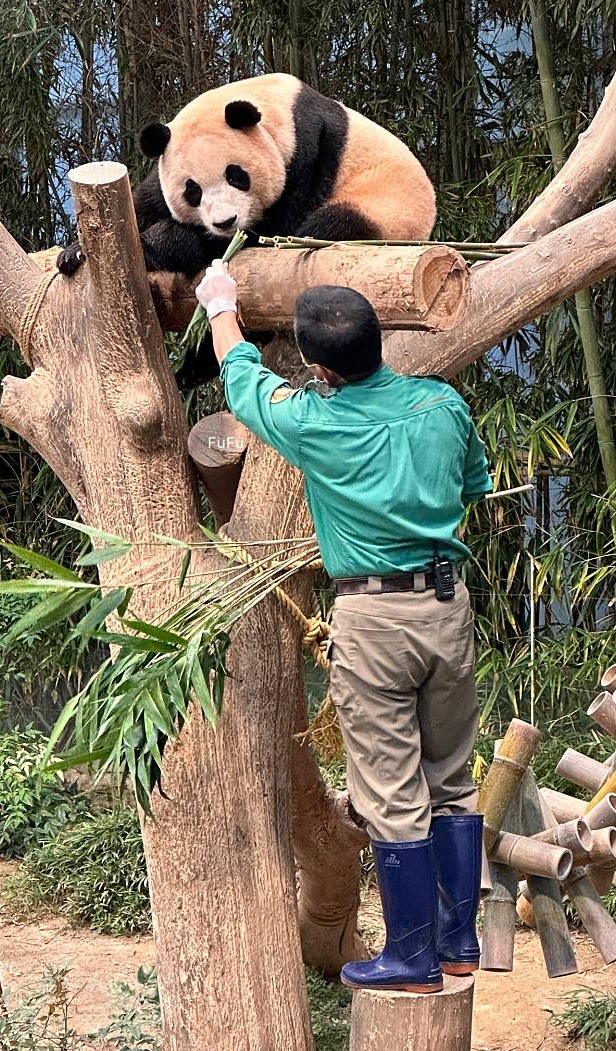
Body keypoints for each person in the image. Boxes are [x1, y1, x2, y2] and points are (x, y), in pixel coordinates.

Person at [195, 260, 493, 995]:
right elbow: (475, 483)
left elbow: (243, 382)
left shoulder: (315, 422)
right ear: (379, 341)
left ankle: (412, 957)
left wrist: (220, 304)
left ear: (320, 366)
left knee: (391, 792)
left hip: (373, 618)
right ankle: (458, 943)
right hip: (447, 607)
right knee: (451, 778)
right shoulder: (442, 406)